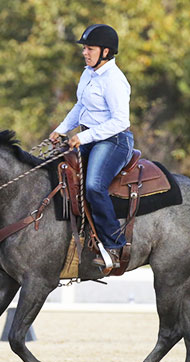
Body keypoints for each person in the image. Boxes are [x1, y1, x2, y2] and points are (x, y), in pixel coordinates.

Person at [49, 24, 134, 269]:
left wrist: (83, 138)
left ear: (106, 52)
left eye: (89, 49)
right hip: (90, 137)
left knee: (94, 186)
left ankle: (115, 246)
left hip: (114, 140)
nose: (85, 53)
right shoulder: (88, 73)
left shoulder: (114, 80)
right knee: (59, 174)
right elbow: (80, 107)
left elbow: (121, 121)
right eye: (84, 49)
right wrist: (62, 129)